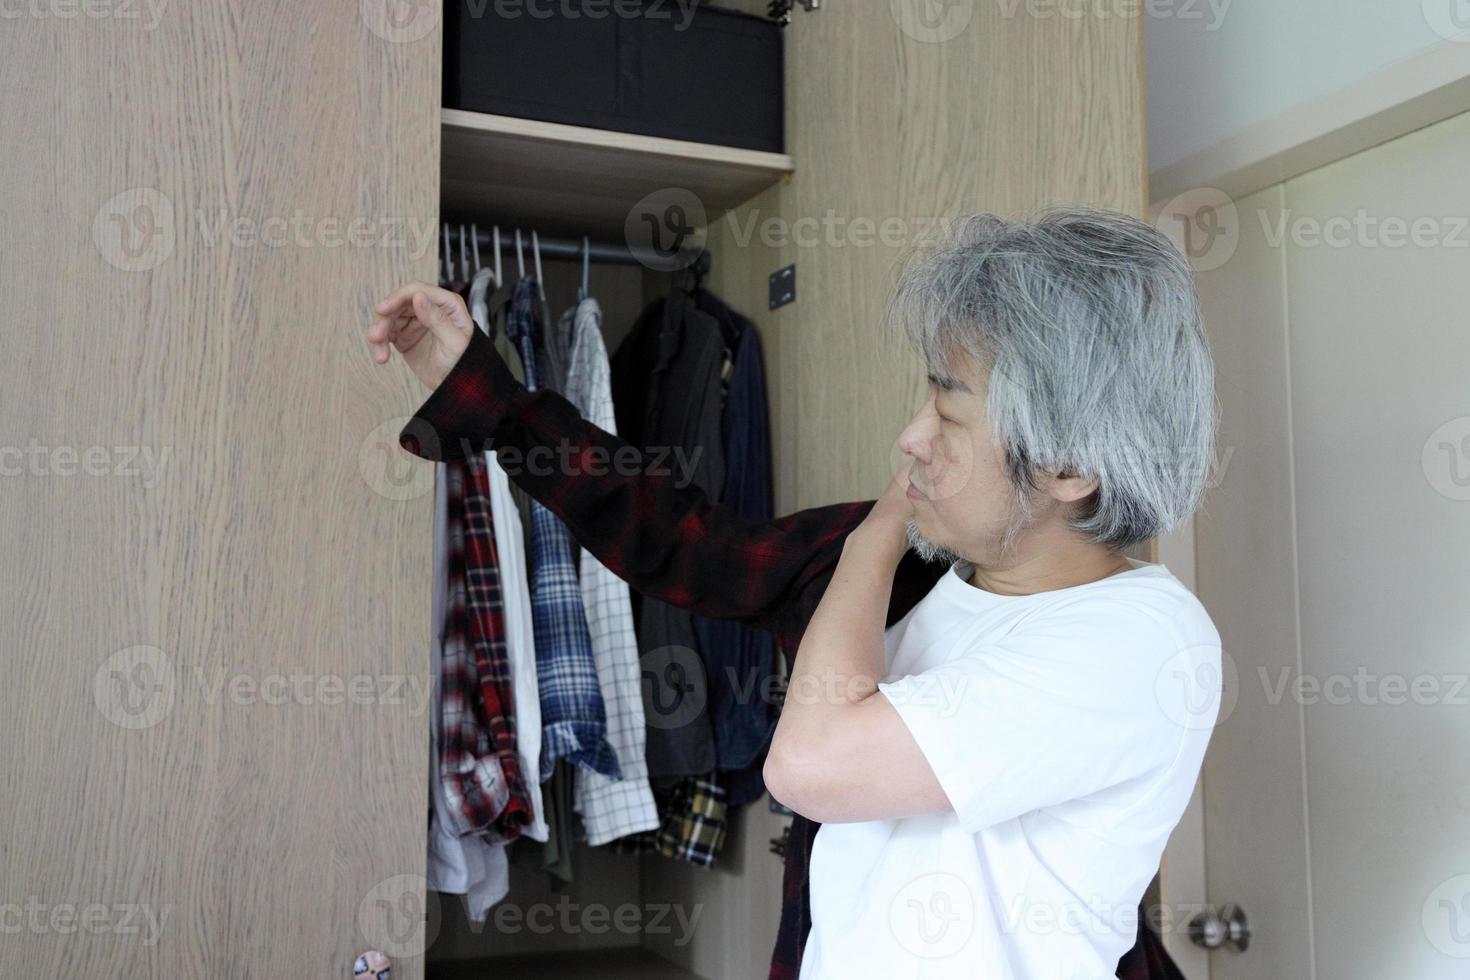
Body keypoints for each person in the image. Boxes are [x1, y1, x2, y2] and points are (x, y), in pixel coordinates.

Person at [366, 207, 1222, 980]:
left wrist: (876, 536)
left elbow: (812, 765)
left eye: (950, 411)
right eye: (928, 391)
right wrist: (488, 389)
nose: (912, 435)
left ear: (1069, 467)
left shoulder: (1139, 641)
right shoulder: (917, 570)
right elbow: (679, 539)